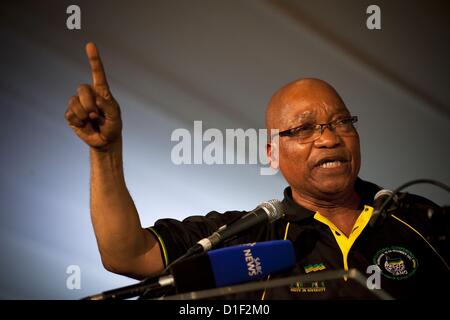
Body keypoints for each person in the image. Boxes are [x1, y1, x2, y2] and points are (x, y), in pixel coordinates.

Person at [65, 43, 449, 299]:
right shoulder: (246, 240)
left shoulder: (420, 218)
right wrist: (106, 151)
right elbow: (128, 255)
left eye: (341, 122)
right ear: (272, 154)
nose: (329, 138)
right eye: (303, 129)